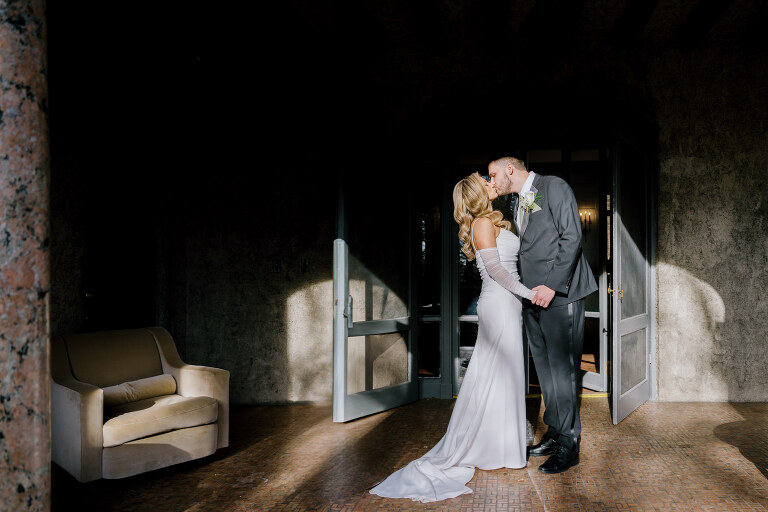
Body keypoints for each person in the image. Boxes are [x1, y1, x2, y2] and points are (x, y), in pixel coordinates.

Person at [369, 172, 547, 503]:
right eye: (485, 178)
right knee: (499, 373)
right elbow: (495, 271)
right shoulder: (481, 223)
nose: (489, 179)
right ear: (477, 192)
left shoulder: (497, 217)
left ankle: (504, 440)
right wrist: (529, 293)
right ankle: (496, 445)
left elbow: (533, 220)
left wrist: (532, 195)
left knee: (504, 375)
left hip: (509, 306)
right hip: (499, 304)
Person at [488, 156, 598, 474]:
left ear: (511, 169)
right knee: (547, 375)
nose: (492, 180)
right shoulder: (518, 202)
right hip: (531, 299)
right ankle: (555, 433)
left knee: (563, 375)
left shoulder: (554, 186)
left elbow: (572, 237)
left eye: (494, 173)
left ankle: (569, 446)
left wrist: (550, 286)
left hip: (560, 296)